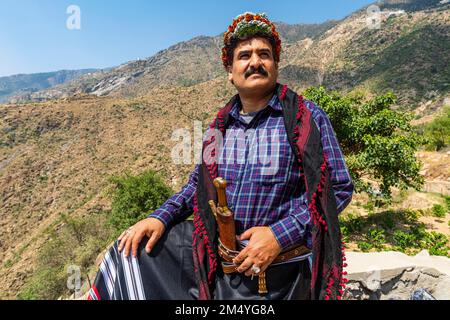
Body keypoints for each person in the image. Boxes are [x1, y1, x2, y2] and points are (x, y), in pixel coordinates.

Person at [87, 12, 353, 301]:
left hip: (279, 274)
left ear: (275, 65)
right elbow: (196, 187)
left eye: (264, 54)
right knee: (133, 251)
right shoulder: (220, 127)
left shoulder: (306, 118)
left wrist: (280, 235)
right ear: (230, 70)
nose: (255, 62)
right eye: (244, 56)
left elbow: (338, 189)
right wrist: (159, 218)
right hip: (222, 263)